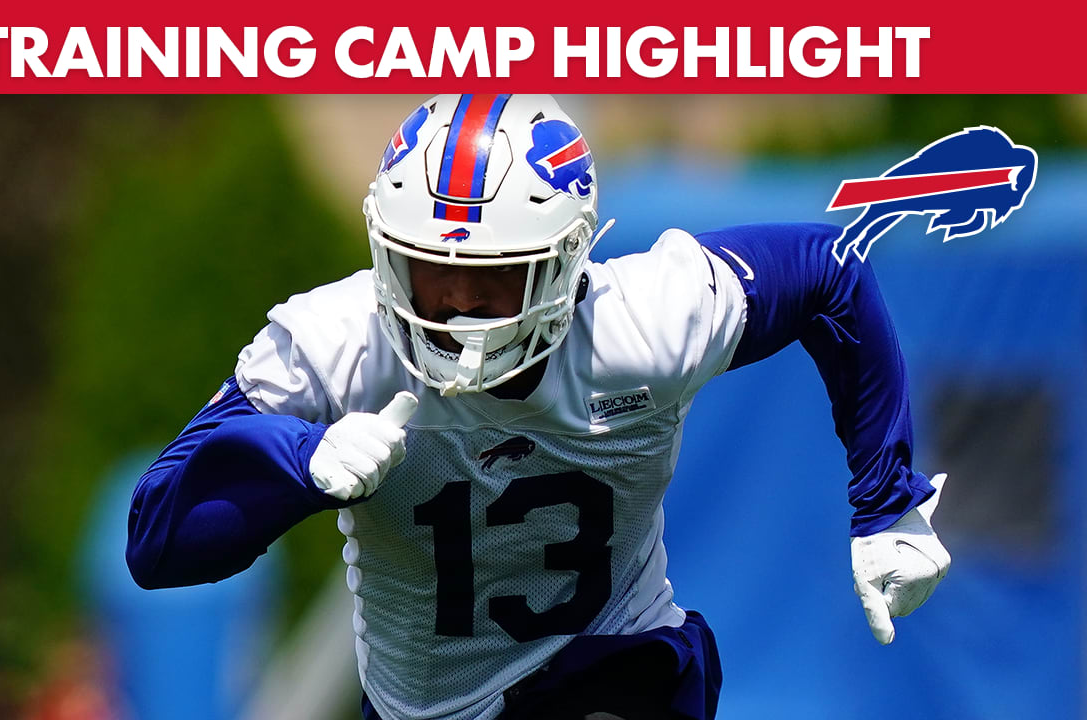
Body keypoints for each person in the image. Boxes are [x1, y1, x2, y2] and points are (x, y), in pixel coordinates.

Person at [126, 94, 951, 720]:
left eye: (489, 279)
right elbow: (158, 541)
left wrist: (887, 502)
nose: (449, 306)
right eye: (427, 272)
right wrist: (299, 462)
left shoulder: (644, 324)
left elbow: (830, 273)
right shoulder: (336, 342)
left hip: (616, 666)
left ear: (562, 267)